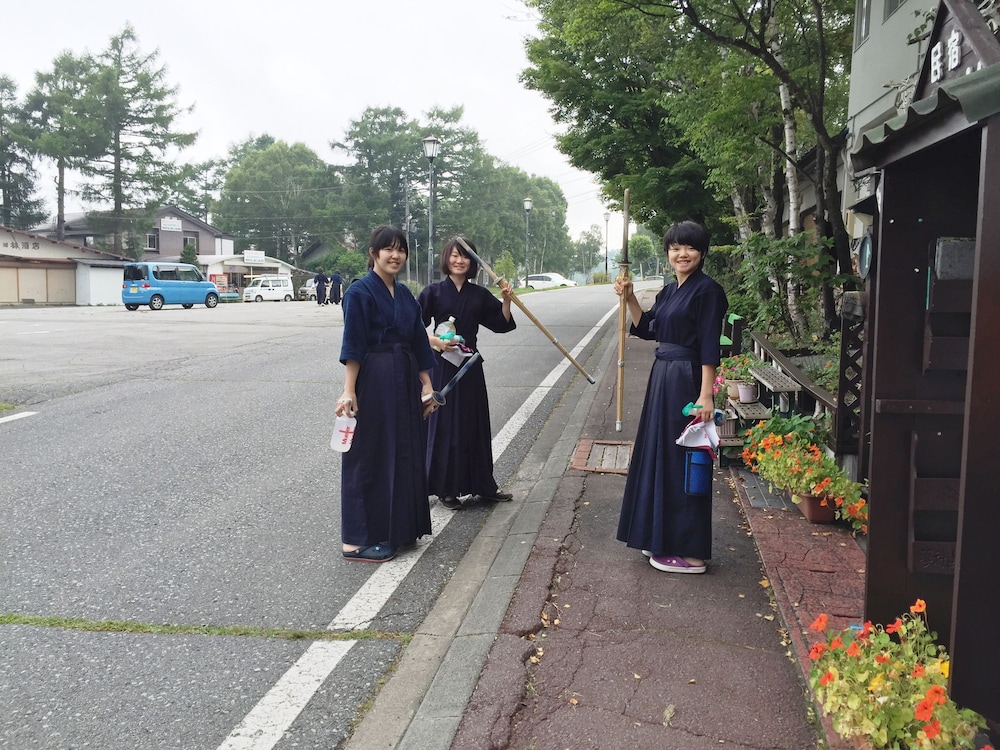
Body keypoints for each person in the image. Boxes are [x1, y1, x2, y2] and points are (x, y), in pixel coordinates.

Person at [614, 220, 728, 574]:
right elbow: (649, 328)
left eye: (690, 247)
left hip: (686, 379)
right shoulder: (668, 291)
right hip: (662, 377)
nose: (682, 254)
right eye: (675, 248)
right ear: (667, 253)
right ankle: (662, 538)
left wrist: (706, 396)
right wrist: (630, 297)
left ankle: (691, 554)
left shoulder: (708, 291)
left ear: (702, 253)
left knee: (684, 461)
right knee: (660, 456)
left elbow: (709, 345)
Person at [334, 226, 439, 562]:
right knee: (369, 454)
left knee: (405, 450)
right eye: (387, 249)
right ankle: (355, 541)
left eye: (400, 250)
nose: (395, 256)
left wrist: (427, 384)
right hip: (374, 380)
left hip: (404, 379)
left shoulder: (406, 294)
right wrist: (349, 390)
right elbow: (353, 344)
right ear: (373, 253)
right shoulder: (359, 292)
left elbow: (419, 342)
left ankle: (398, 528)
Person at [417, 237, 516, 510]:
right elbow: (412, 328)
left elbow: (501, 324)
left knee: (474, 424)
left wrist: (507, 300)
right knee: (444, 427)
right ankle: (445, 489)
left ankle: (484, 485)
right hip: (442, 369)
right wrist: (436, 343)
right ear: (446, 259)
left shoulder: (479, 295)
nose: (459, 261)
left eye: (465, 257)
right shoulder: (433, 293)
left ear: (473, 262)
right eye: (454, 255)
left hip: (469, 368)